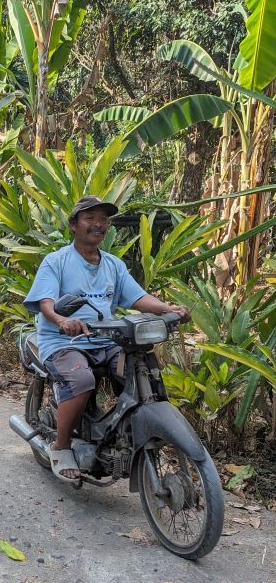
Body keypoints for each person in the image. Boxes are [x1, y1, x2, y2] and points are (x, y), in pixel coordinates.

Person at [23, 195, 189, 483]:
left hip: (106, 341)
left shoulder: (113, 264)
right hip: (65, 342)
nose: (98, 224)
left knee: (141, 376)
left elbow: (138, 297)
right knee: (82, 381)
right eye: (90, 218)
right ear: (74, 225)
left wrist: (168, 309)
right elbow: (46, 303)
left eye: (103, 219)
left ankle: (121, 438)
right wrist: (63, 321)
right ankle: (61, 447)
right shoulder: (57, 261)